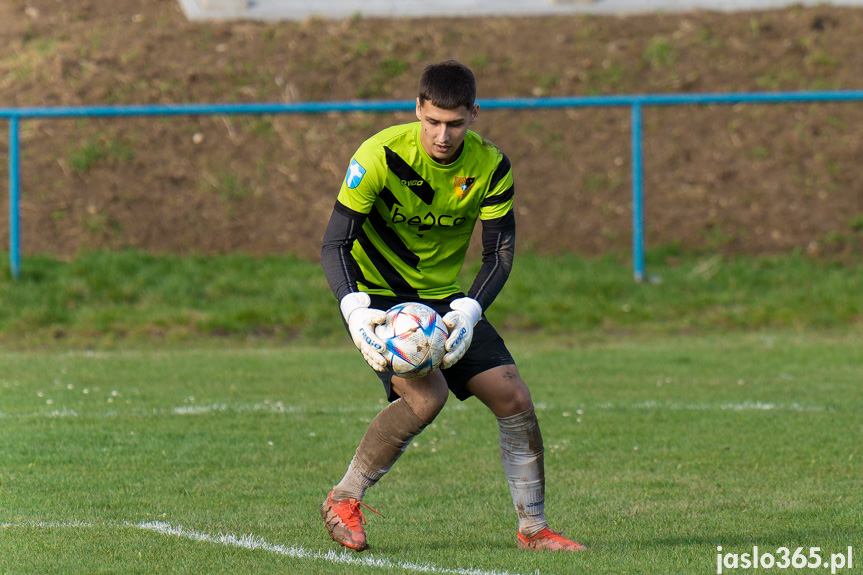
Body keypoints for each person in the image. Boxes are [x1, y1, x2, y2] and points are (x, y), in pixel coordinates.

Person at [319, 60, 586, 553]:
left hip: (443, 302)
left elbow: (499, 253)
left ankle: (534, 529)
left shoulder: (490, 166)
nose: (443, 135)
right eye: (433, 121)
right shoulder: (378, 155)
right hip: (380, 299)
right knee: (427, 397)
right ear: (418, 108)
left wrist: (468, 311)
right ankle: (343, 498)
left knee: (514, 397)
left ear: (474, 115)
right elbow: (334, 244)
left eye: (456, 123)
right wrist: (356, 314)